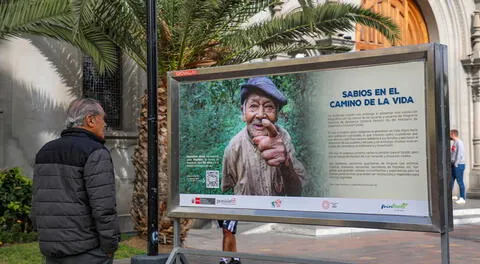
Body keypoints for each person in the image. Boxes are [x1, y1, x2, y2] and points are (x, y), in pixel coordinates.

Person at [218, 77, 307, 264]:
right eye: (253, 106)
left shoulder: (284, 138)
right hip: (245, 220)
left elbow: (296, 191)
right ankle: (229, 258)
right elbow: (228, 186)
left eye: (268, 107)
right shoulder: (234, 147)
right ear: (243, 112)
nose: (260, 114)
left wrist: (285, 163)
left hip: (276, 223)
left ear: (277, 114)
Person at [31, 98, 119, 264]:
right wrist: (109, 247)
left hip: (52, 251)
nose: (105, 125)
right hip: (87, 251)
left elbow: (36, 202)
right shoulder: (96, 152)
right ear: (91, 120)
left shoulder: (45, 151)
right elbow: (103, 208)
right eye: (103, 119)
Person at [450, 129, 466, 204]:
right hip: (454, 165)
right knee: (451, 181)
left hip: (458, 165)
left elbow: (460, 154)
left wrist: (456, 164)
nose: (449, 136)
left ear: (453, 134)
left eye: (450, 134)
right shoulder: (454, 143)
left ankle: (462, 197)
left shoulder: (459, 143)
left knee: (460, 181)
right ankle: (450, 195)